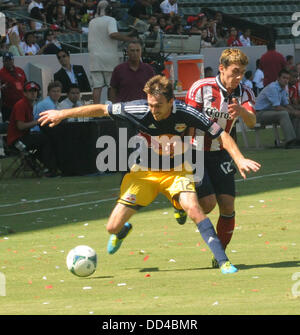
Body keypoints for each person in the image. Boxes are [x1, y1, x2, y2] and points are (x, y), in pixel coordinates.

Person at [39, 75, 261, 274]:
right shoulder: (138, 109)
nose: (153, 110)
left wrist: (239, 158)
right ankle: (123, 230)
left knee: (195, 209)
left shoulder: (186, 112)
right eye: (151, 104)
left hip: (177, 171)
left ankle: (223, 262)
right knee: (111, 227)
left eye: (158, 105)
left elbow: (221, 134)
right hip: (144, 174)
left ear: (172, 101)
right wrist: (62, 114)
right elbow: (101, 109)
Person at [174, 48, 257, 268]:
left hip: (222, 152)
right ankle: (177, 200)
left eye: (242, 73)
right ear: (222, 68)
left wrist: (242, 111)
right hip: (196, 149)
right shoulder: (201, 88)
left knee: (228, 206)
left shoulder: (245, 92)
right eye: (235, 72)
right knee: (207, 204)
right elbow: (188, 121)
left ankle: (219, 255)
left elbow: (251, 122)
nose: (238, 77)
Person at [6, 81, 59, 177]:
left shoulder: (30, 105)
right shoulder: (21, 105)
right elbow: (20, 126)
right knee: (45, 140)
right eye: (30, 91)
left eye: (35, 91)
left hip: (23, 137)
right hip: (16, 141)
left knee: (44, 139)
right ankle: (50, 169)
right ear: (24, 93)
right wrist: (38, 122)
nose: (33, 93)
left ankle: (47, 167)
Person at [88, 0, 136, 104]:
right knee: (112, 86)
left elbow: (105, 36)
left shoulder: (92, 22)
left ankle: (95, 112)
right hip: (108, 58)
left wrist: (129, 34)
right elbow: (113, 34)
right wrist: (130, 39)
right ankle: (113, 111)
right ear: (110, 10)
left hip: (94, 58)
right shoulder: (110, 20)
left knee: (97, 87)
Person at [256, 68, 300, 148]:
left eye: (287, 78)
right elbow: (277, 107)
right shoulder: (273, 88)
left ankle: (297, 140)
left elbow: (286, 104)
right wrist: (294, 112)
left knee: (295, 115)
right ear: (278, 78)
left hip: (270, 112)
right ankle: (290, 141)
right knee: (284, 113)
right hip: (260, 114)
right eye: (284, 78)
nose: (286, 80)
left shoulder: (282, 88)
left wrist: (295, 112)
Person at [0, 52, 27, 122]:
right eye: (6, 60)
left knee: (23, 123)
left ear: (13, 60)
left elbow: (26, 84)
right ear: (3, 61)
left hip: (22, 105)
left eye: (10, 60)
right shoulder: (1, 73)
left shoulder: (20, 70)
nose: (8, 62)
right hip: (8, 107)